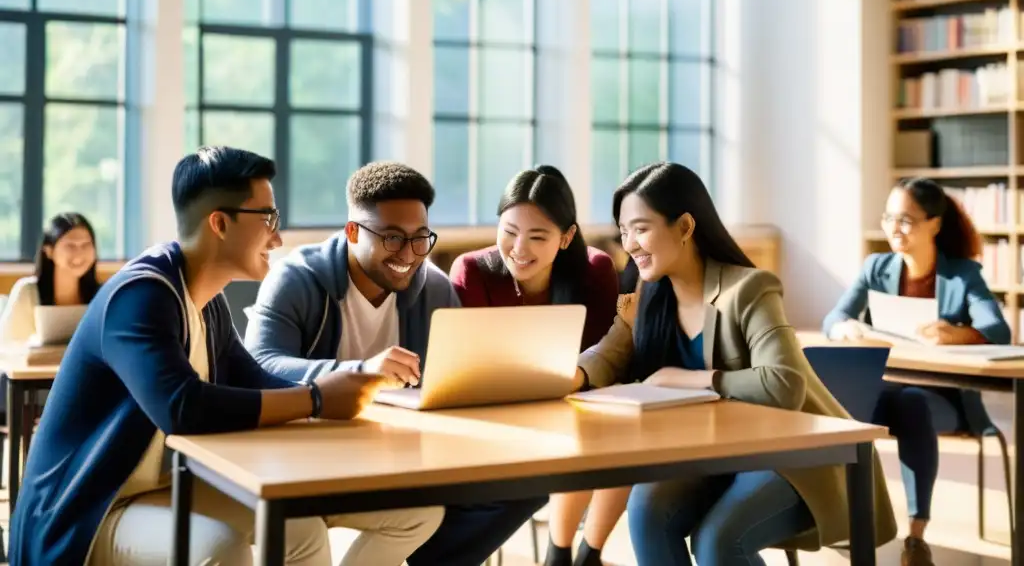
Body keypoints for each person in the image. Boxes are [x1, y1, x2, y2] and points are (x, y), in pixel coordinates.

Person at [9, 147, 443, 566]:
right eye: (268, 218)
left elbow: (255, 380)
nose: (277, 236)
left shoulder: (208, 300)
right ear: (219, 223)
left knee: (308, 528)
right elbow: (182, 407)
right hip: (92, 511)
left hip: (168, 487)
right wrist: (315, 398)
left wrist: (350, 384)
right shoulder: (140, 294)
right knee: (220, 547)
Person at [574, 162, 896, 566]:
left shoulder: (750, 288)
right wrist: (568, 374)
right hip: (716, 456)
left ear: (686, 227)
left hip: (795, 458)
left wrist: (696, 379)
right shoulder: (648, 295)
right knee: (646, 510)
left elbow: (784, 384)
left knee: (718, 542)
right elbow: (609, 354)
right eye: (623, 232)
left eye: (640, 228)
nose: (630, 244)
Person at [245, 160, 544, 566]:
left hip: (401, 455)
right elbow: (260, 366)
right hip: (308, 454)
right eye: (391, 238)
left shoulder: (434, 288)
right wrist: (358, 372)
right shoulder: (296, 279)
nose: (409, 254)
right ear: (352, 231)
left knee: (524, 486)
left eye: (421, 239)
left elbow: (453, 379)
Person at [822, 176, 1011, 566]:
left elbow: (998, 330)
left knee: (912, 405)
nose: (894, 228)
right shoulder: (876, 267)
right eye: (889, 217)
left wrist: (957, 334)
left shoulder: (962, 275)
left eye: (906, 220)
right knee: (839, 399)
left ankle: (915, 535)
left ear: (934, 224)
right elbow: (835, 316)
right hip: (886, 391)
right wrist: (847, 328)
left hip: (945, 400)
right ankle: (844, 520)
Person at [449, 165, 620, 566]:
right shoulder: (471, 271)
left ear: (567, 237)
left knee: (616, 444)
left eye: (537, 236)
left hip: (574, 419)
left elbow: (604, 362)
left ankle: (579, 553)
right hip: (493, 422)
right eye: (508, 231)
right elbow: (468, 367)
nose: (518, 248)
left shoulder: (595, 272)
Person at [0, 212, 101, 344]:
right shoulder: (28, 291)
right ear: (49, 251)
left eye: (86, 245)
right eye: (70, 246)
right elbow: (8, 347)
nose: (79, 253)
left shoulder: (103, 294)